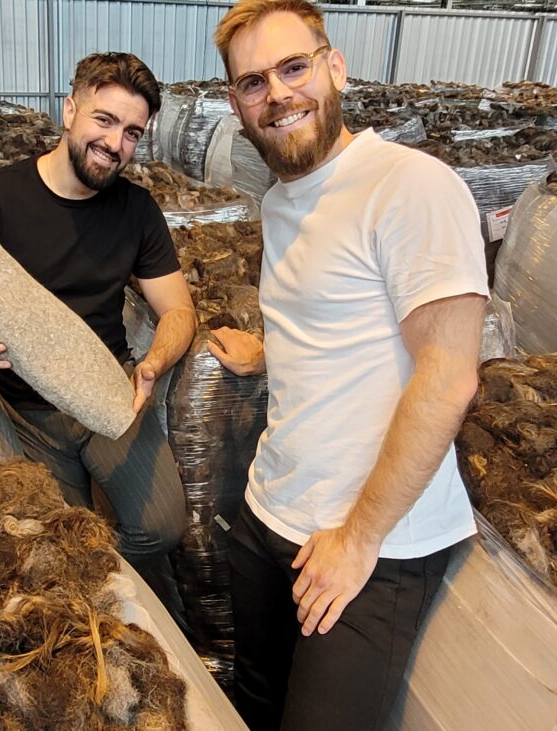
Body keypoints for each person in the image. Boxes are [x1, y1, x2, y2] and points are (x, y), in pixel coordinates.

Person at [208, 2, 489, 728]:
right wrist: (267, 351)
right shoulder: (280, 201)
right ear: (236, 103)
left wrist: (359, 540)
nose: (277, 94)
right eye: (252, 83)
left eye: (293, 67)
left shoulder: (410, 186)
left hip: (368, 546)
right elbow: (339, 326)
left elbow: (450, 374)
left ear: (335, 67)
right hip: (270, 510)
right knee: (255, 703)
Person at [0, 52, 197, 616]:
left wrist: (153, 364)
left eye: (131, 133)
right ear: (70, 110)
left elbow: (179, 312)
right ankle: (88, 590)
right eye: (104, 120)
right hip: (23, 407)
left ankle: (104, 579)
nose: (115, 143)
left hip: (108, 390)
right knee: (62, 543)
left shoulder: (137, 211)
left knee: (164, 527)